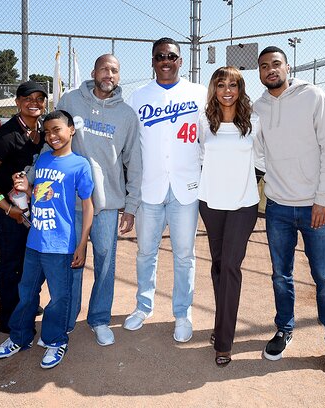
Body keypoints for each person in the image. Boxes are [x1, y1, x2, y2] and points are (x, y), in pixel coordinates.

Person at [254, 46, 325, 387]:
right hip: (279, 208)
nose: (270, 70)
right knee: (281, 276)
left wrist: (322, 198)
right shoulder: (259, 107)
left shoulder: (313, 96)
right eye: (264, 66)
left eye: (276, 64)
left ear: (287, 66)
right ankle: (284, 329)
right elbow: (257, 154)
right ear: (260, 72)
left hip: (315, 207)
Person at [0, 110, 94, 369]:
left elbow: (88, 206)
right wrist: (24, 188)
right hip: (35, 241)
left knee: (59, 297)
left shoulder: (80, 164)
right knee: (26, 293)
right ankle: (20, 337)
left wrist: (82, 244)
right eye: (47, 132)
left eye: (57, 129)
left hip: (61, 245)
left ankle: (55, 340)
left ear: (71, 129)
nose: (51, 136)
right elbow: (37, 194)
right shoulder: (44, 160)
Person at [125, 37, 207, 342]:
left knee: (185, 255)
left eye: (171, 56)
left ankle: (182, 314)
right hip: (150, 189)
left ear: (180, 61)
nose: (166, 61)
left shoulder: (199, 93)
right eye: (160, 56)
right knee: (146, 252)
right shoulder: (138, 97)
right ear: (153, 61)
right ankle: (142, 306)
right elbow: (130, 145)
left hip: (186, 188)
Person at [57, 54, 142, 346]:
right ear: (94, 72)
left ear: (119, 77)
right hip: (71, 203)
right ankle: (66, 318)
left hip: (106, 205)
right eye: (105, 69)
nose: (109, 74)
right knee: (71, 261)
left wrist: (130, 206)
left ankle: (100, 319)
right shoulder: (70, 101)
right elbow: (52, 140)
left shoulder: (127, 115)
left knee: (105, 262)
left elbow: (135, 162)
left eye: (115, 71)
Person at [0, 80, 47, 334]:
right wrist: (5, 207)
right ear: (17, 102)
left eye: (39, 98)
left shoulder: (42, 132)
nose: (34, 102)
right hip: (8, 211)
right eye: (28, 98)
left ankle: (24, 305)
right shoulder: (7, 135)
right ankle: (9, 321)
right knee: (11, 262)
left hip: (29, 209)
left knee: (30, 261)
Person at [198, 66, 260, 366]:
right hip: (211, 204)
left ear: (240, 89)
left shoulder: (253, 123)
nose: (227, 90)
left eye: (233, 85)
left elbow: (261, 159)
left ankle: (224, 341)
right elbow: (198, 158)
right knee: (219, 266)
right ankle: (221, 323)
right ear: (214, 88)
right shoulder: (203, 123)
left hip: (243, 205)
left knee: (231, 266)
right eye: (221, 84)